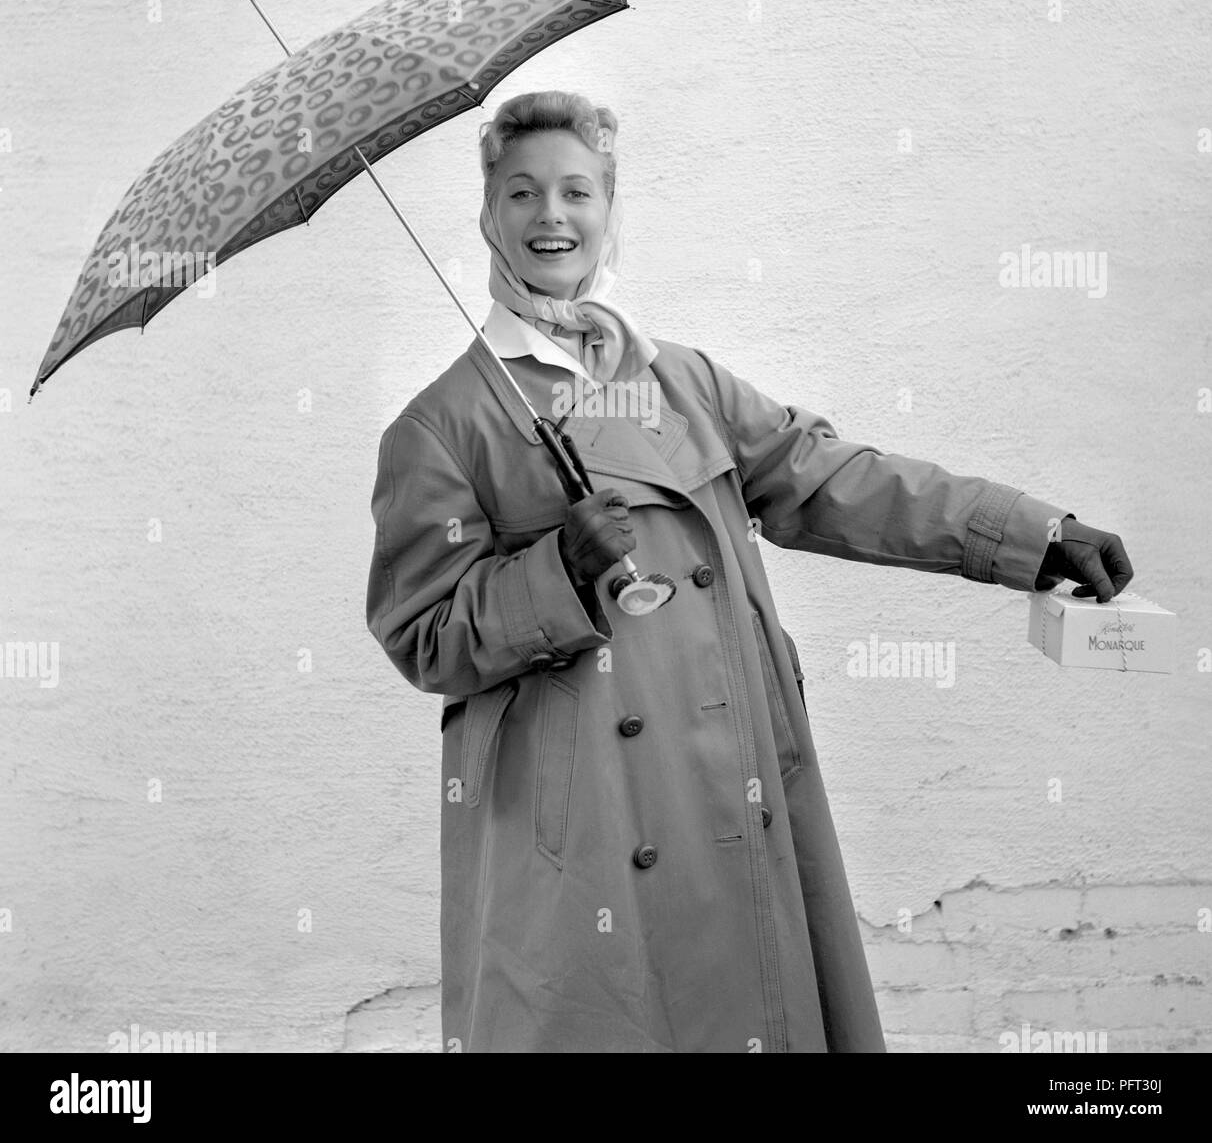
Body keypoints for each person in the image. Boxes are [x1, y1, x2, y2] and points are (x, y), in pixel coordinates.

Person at [365, 90, 1133, 1054]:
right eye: (521, 193)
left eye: (576, 191)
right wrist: (558, 569)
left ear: (610, 210)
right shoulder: (441, 425)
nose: (550, 216)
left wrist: (1032, 533)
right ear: (487, 215)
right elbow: (423, 635)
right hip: (590, 817)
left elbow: (836, 479)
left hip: (739, 780)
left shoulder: (682, 380)